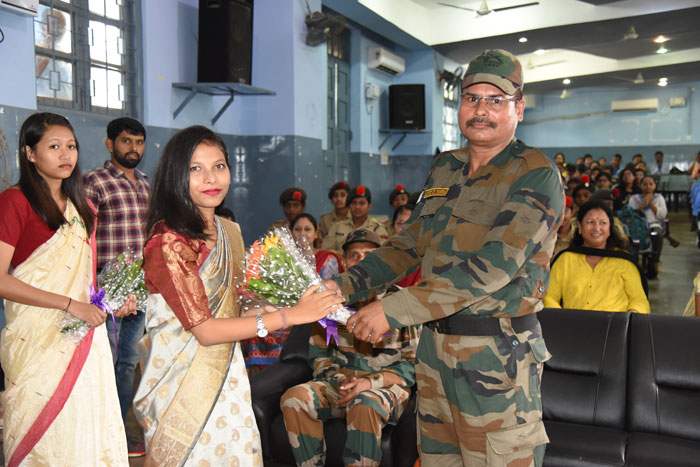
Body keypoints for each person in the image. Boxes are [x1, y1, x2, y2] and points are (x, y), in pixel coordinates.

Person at [334, 49, 564, 466]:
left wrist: (393, 309)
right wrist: (340, 284)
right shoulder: (446, 168)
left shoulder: (536, 173)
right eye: (472, 98)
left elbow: (495, 267)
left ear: (519, 108)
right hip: (434, 352)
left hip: (496, 358)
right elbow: (409, 244)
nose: (481, 110)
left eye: (496, 100)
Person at [132, 125, 342, 466]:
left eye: (219, 166)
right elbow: (205, 330)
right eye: (195, 169)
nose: (211, 178)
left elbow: (239, 305)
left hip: (227, 375)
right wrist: (291, 315)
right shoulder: (168, 242)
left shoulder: (229, 232)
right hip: (182, 383)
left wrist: (303, 300)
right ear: (175, 175)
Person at [0, 112, 132, 465]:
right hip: (37, 337)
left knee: (87, 427)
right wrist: (69, 305)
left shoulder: (82, 208)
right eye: (54, 146)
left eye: (71, 146)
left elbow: (85, 284)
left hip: (83, 339)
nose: (66, 155)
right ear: (30, 153)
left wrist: (111, 301)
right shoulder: (14, 202)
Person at [281, 229, 420, 467]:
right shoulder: (330, 305)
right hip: (339, 385)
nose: (362, 261)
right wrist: (340, 383)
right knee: (294, 398)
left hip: (386, 387)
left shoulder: (403, 303)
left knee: (365, 403)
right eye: (354, 255)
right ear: (345, 262)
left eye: (370, 254)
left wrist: (369, 383)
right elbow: (319, 356)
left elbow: (415, 365)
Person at [82, 116, 149, 455]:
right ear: (110, 144)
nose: (133, 148)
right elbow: (83, 238)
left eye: (138, 142)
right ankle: (98, 433)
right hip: (106, 291)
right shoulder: (93, 182)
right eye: (126, 141)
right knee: (104, 361)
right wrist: (95, 290)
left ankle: (120, 430)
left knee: (127, 363)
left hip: (142, 291)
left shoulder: (147, 184)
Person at [544, 201, 649, 314]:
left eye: (603, 223)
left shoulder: (624, 261)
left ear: (610, 228)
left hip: (614, 328)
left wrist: (632, 314)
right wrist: (563, 320)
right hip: (573, 327)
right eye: (590, 222)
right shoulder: (565, 259)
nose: (596, 228)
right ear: (579, 226)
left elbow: (639, 299)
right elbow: (548, 297)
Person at [321, 185, 389, 253]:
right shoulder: (337, 227)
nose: (357, 207)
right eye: (354, 203)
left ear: (369, 206)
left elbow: (384, 254)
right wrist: (339, 256)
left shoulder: (377, 228)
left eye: (362, 203)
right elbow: (326, 252)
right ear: (349, 206)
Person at [628, 176, 669, 277]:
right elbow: (631, 214)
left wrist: (650, 204)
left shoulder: (659, 198)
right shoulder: (634, 198)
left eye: (651, 184)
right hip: (637, 226)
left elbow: (662, 214)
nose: (648, 187)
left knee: (657, 234)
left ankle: (654, 260)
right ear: (640, 185)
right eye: (645, 184)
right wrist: (642, 205)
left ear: (655, 186)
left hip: (653, 224)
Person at [291, 213, 344, 279]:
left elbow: (329, 287)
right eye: (297, 229)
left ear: (316, 233)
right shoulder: (285, 258)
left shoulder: (328, 259)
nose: (302, 234)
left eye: (307, 229)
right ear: (291, 234)